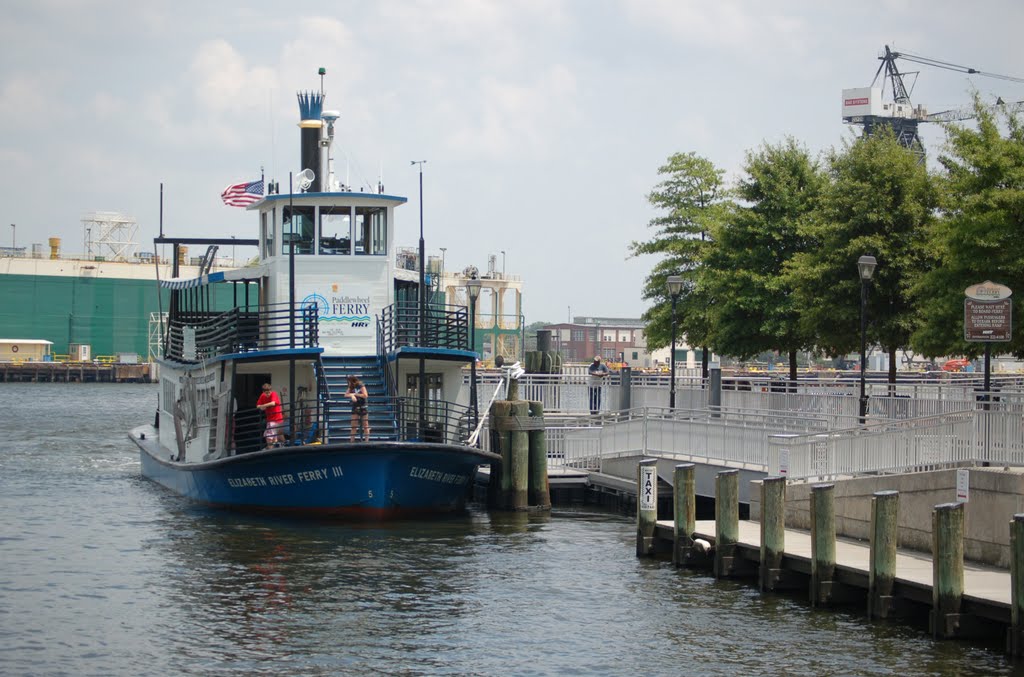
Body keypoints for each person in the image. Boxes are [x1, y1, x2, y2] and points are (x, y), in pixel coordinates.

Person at [256, 382, 285, 448]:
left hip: (278, 418)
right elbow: (257, 405)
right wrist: (261, 407)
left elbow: (273, 403)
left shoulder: (274, 394)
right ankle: (274, 447)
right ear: (263, 392)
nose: (268, 394)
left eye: (269, 392)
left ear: (271, 390)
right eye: (266, 393)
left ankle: (275, 447)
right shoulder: (262, 396)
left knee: (275, 434)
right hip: (271, 419)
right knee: (273, 435)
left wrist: (263, 406)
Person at [345, 375, 370, 442]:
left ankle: (367, 441)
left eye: (349, 381)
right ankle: (352, 441)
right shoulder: (351, 387)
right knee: (353, 425)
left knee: (365, 425)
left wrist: (355, 394)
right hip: (355, 407)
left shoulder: (361, 385)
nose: (348, 383)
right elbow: (346, 394)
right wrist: (351, 395)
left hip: (363, 406)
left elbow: (365, 395)